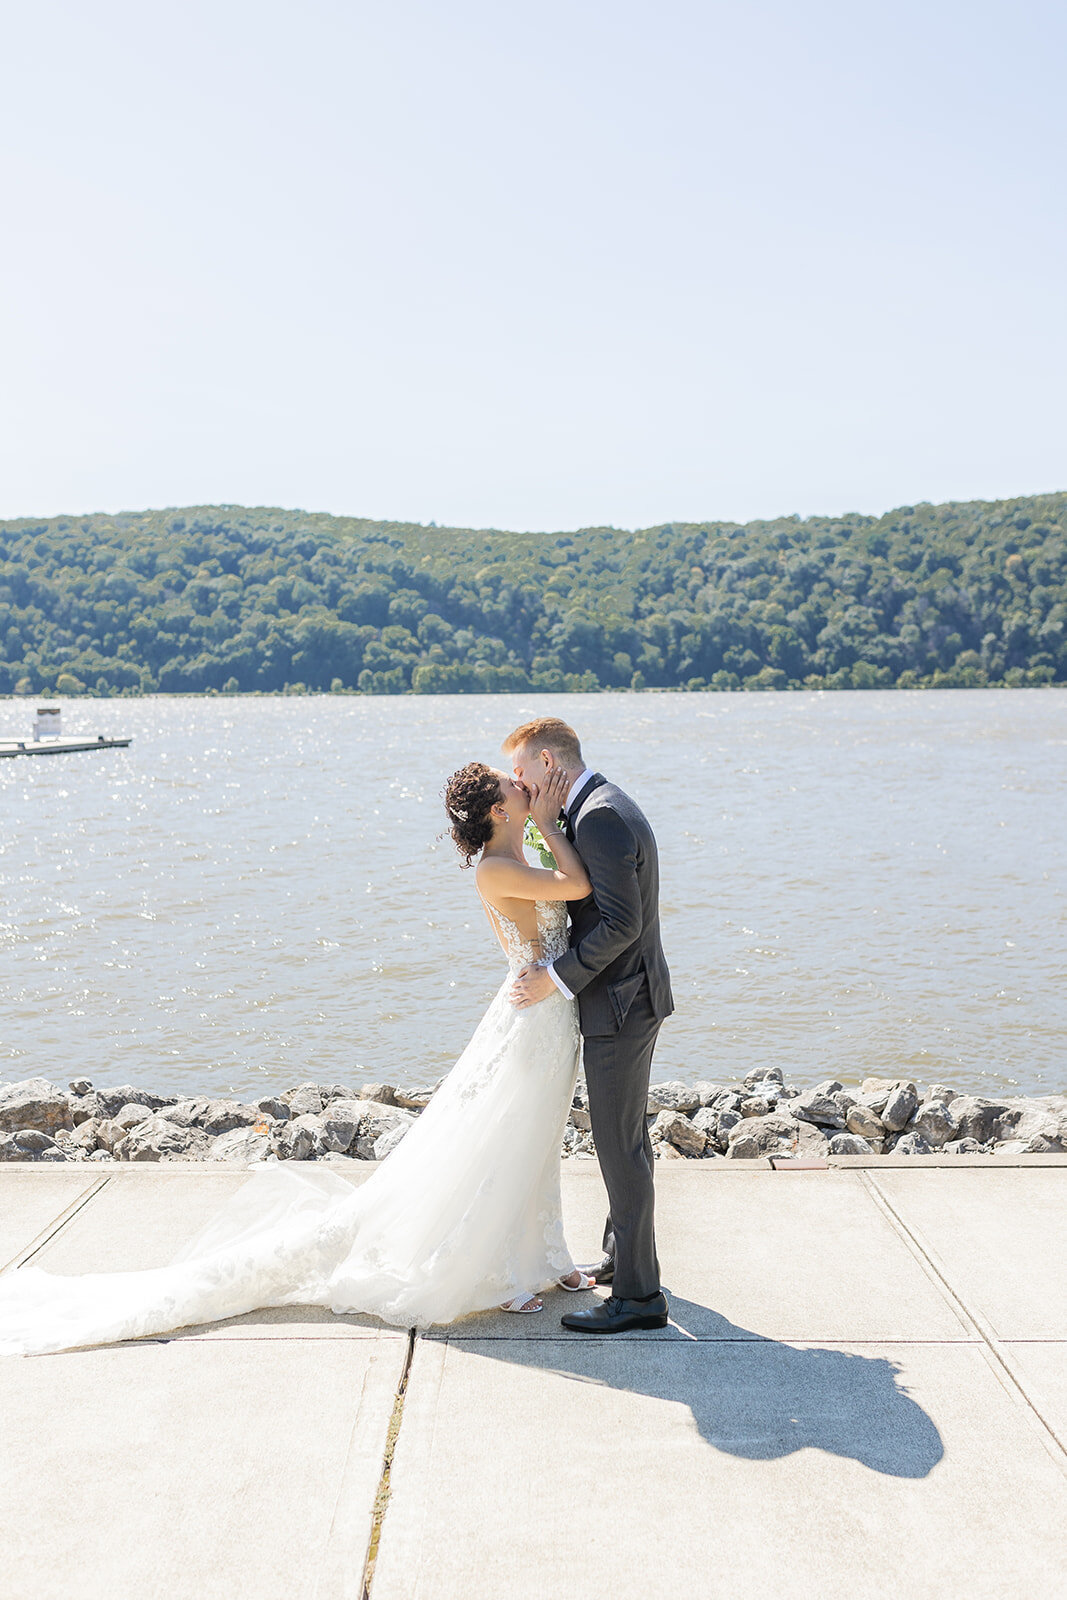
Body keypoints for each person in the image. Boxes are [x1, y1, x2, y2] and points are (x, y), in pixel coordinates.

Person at [0, 763, 596, 1356]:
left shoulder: (517, 859)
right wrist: (548, 818)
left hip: (544, 1011)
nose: (522, 781)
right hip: (531, 1017)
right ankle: (505, 1269)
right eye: (511, 783)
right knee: (506, 1138)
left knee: (535, 1137)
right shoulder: (497, 869)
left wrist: (541, 827)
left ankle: (545, 1254)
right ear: (499, 810)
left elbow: (560, 892)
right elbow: (578, 888)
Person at [505, 717, 674, 1334]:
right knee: (624, 1139)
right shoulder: (601, 803)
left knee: (618, 1145)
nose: (518, 784)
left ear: (549, 764)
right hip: (630, 997)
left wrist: (554, 976)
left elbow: (622, 925)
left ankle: (638, 1298)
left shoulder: (599, 816)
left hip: (622, 1003)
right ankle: (624, 1259)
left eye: (522, 772)